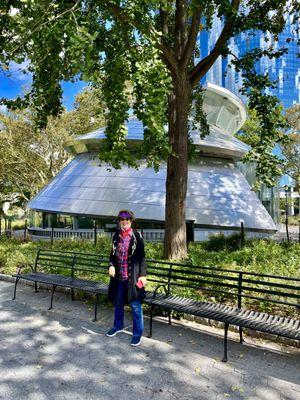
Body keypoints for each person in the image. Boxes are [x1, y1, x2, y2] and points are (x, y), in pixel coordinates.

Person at [106, 210, 147, 346]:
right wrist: (111, 265)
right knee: (118, 303)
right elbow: (112, 256)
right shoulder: (116, 236)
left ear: (131, 221)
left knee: (135, 306)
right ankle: (118, 326)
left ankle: (137, 333)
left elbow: (142, 259)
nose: (124, 222)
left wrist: (142, 275)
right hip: (119, 278)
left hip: (132, 278)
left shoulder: (136, 236)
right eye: (122, 220)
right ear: (119, 221)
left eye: (127, 220)